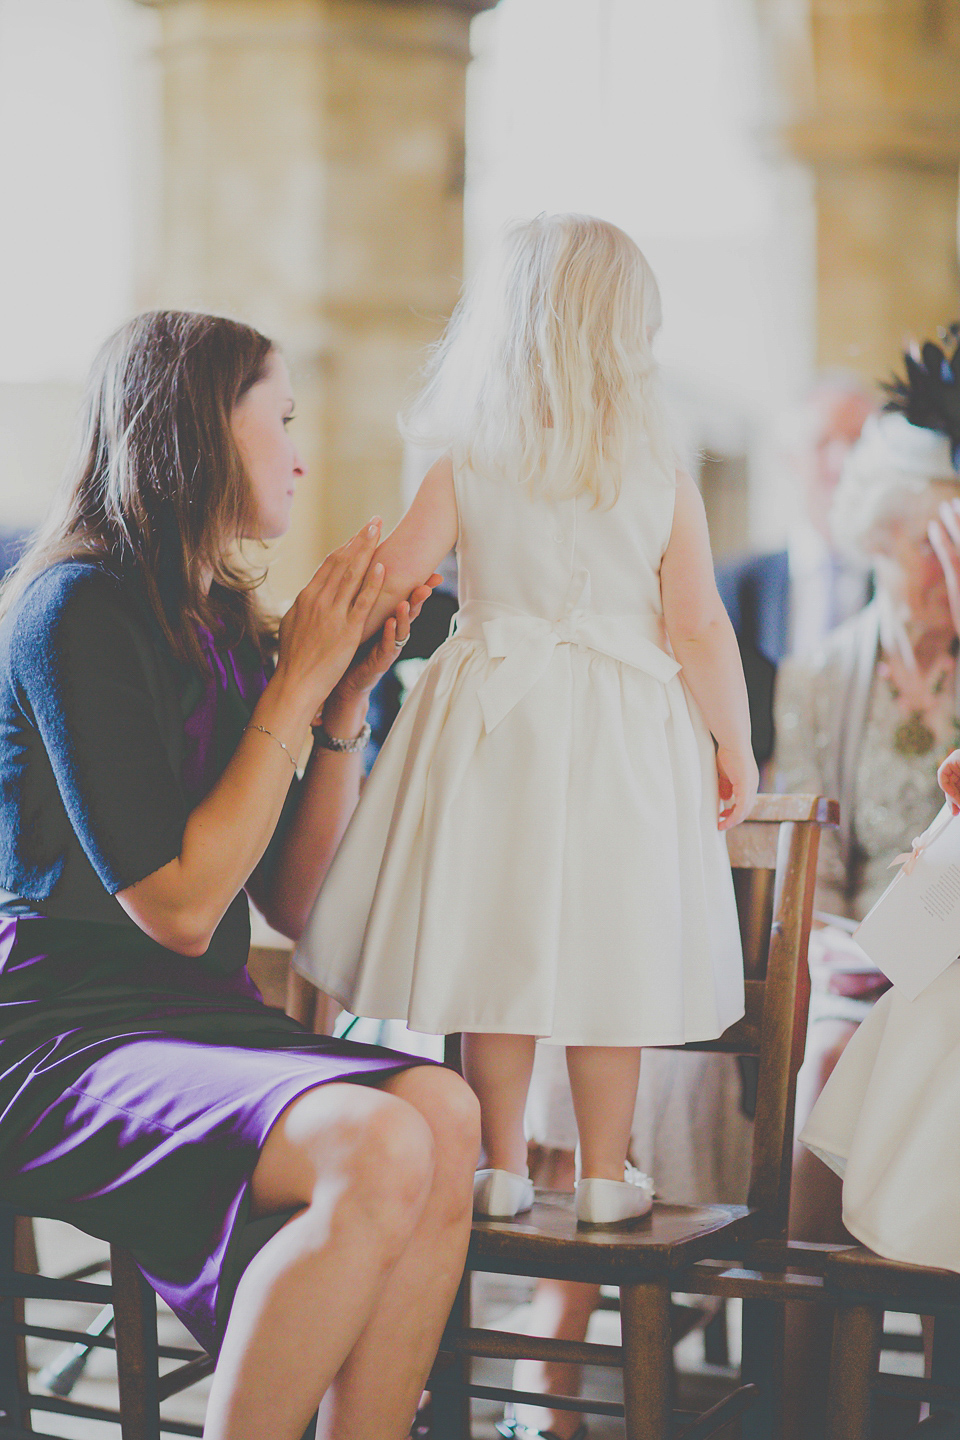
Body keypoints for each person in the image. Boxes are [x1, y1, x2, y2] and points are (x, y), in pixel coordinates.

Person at [0, 310, 482, 1440]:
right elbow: (175, 908)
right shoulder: (74, 606)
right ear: (198, 432)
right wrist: (291, 684)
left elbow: (290, 902)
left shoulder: (215, 615)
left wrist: (341, 703)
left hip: (197, 1019)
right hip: (63, 1036)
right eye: (282, 419)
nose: (303, 453)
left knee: (445, 1112)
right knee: (379, 1139)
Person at [295, 213, 758, 1231]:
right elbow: (699, 626)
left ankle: (499, 1167)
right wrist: (733, 742)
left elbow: (395, 577)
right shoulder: (659, 480)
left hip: (492, 720)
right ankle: (601, 1175)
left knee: (492, 938)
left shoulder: (468, 463)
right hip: (624, 731)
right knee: (615, 949)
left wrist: (323, 641)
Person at [774, 328, 960, 1438]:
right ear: (884, 540)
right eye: (921, 548)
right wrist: (845, 941)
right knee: (832, 1050)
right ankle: (801, 1388)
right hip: (858, 960)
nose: (937, 573)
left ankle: (936, 1393)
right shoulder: (825, 674)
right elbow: (814, 867)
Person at [716, 376, 874, 765]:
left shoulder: (905, 586)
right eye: (823, 444)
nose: (842, 463)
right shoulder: (737, 587)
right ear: (791, 457)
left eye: (859, 443)